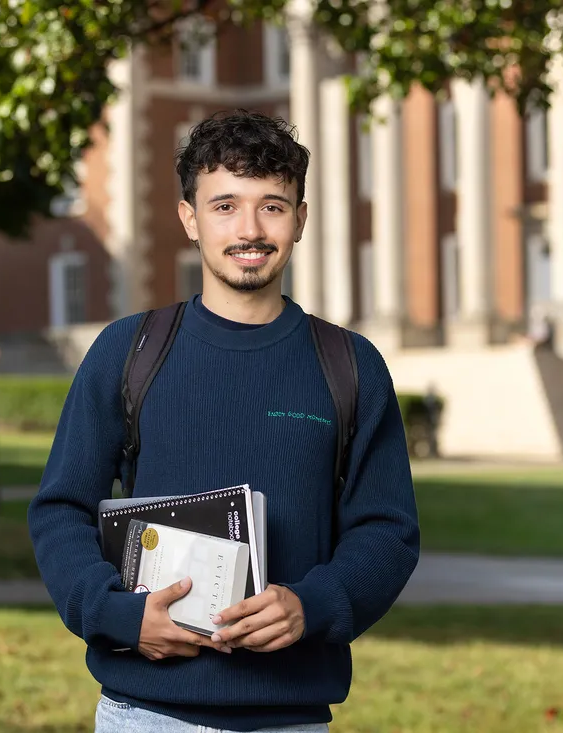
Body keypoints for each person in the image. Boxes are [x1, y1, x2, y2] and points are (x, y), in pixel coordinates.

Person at [27, 110, 420, 733]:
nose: (250, 229)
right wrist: (117, 615)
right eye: (225, 205)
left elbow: (388, 531)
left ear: (300, 218)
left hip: (289, 717)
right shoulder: (128, 352)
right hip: (144, 714)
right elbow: (60, 510)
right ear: (190, 219)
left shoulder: (351, 365)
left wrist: (311, 606)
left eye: (272, 205)